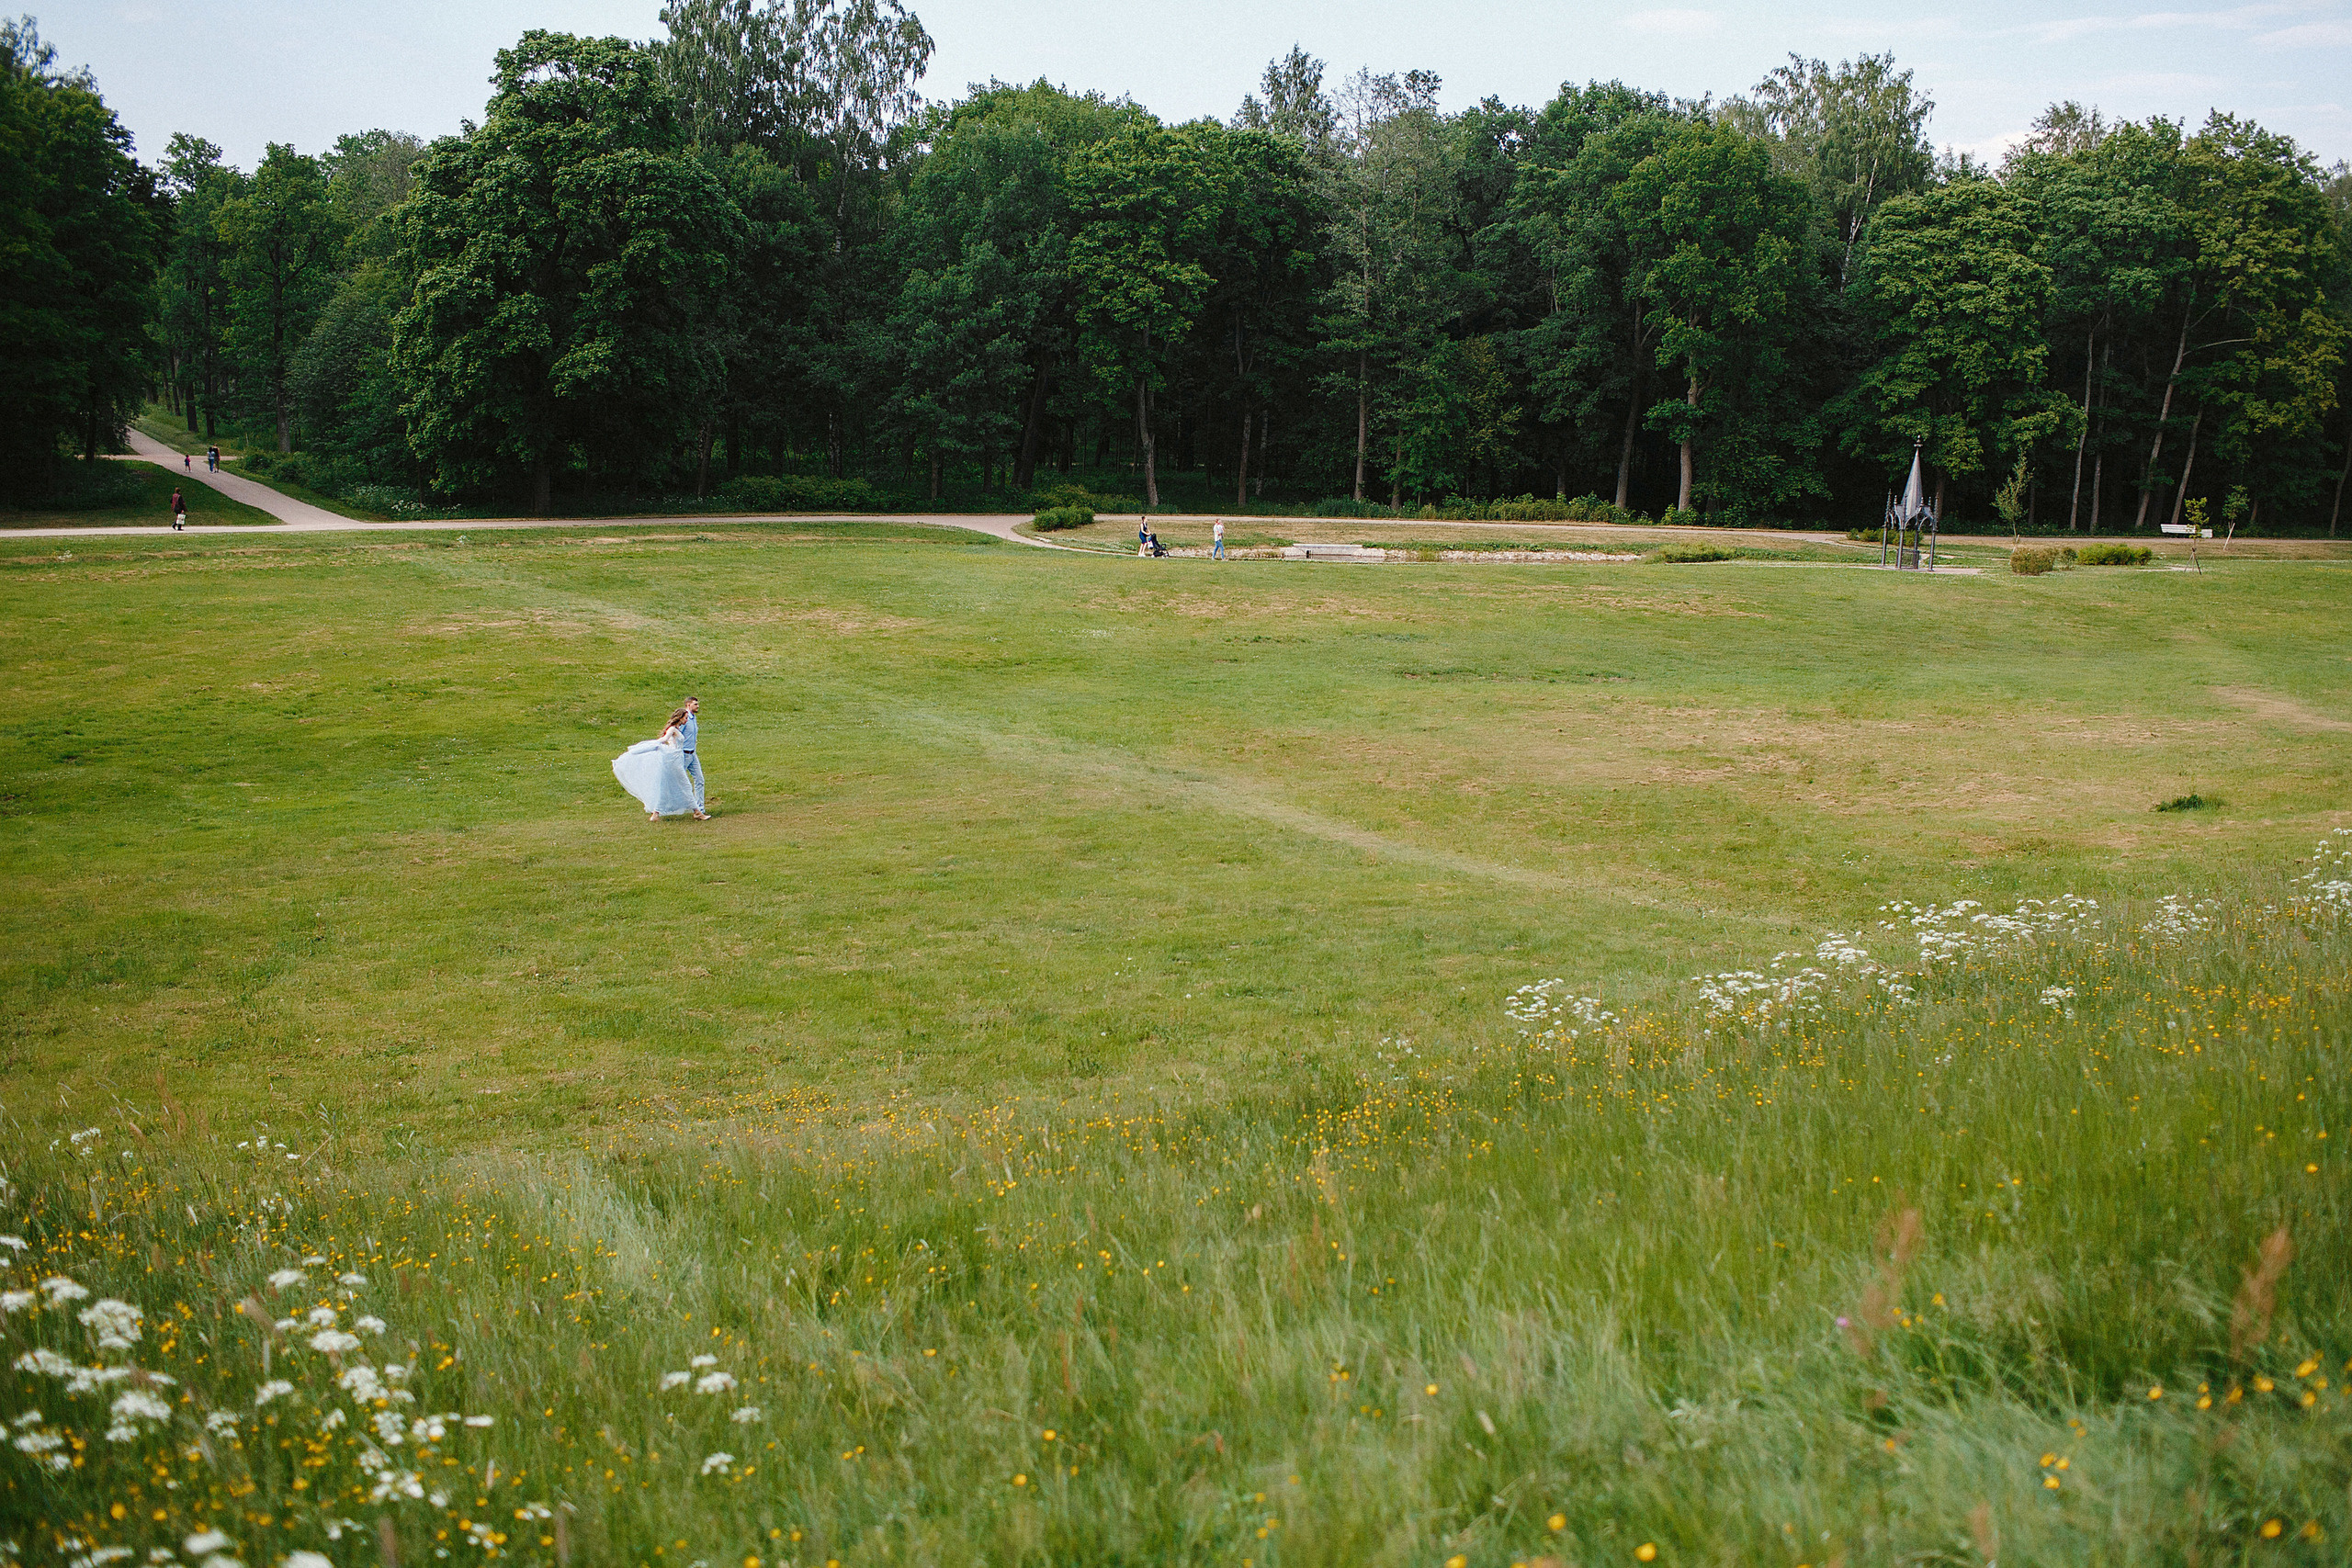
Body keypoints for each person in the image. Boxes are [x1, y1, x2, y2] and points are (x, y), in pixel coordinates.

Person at [612, 708, 698, 821]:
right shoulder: (672, 729)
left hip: (677, 759)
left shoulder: (677, 729)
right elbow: (664, 739)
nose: (687, 720)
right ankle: (697, 812)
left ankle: (656, 814)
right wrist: (650, 745)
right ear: (680, 717)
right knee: (685, 785)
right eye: (685, 718)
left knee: (666, 785)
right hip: (674, 761)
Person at [677, 696, 708, 819]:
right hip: (683, 754)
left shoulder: (693, 719)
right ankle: (658, 809)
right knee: (677, 782)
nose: (698, 706)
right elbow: (677, 733)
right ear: (688, 705)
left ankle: (699, 809)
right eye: (695, 704)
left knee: (700, 779)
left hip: (692, 754)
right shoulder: (685, 719)